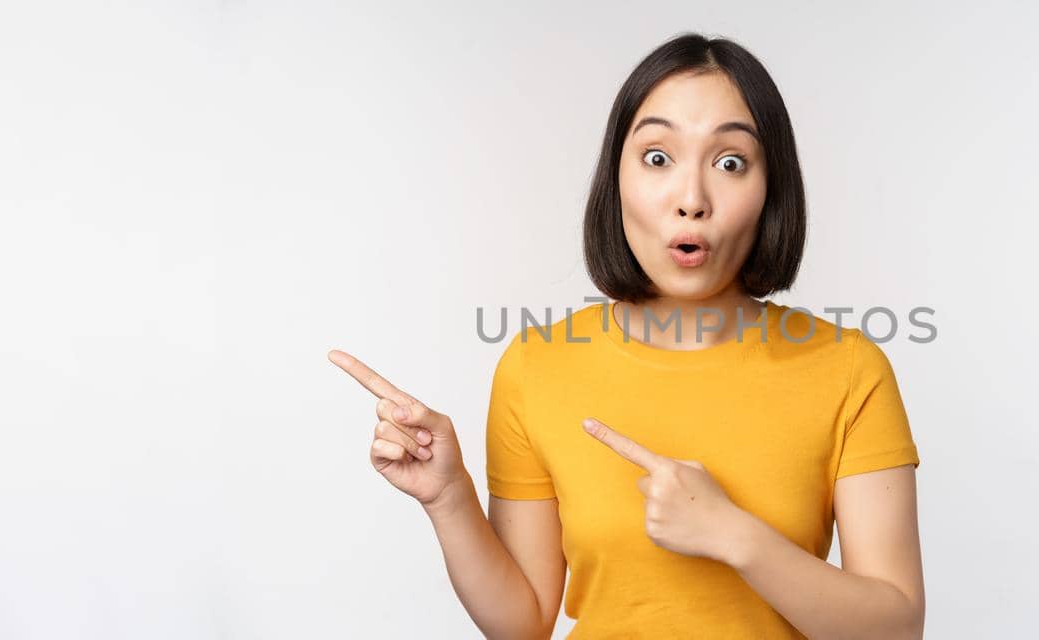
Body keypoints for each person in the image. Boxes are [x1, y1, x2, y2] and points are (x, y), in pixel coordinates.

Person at [329, 32, 924, 639]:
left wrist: (734, 536)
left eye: (731, 162)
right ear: (617, 181)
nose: (691, 199)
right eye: (658, 158)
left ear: (772, 189)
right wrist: (449, 497)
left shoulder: (849, 369)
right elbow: (524, 624)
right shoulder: (538, 367)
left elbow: (896, 630)